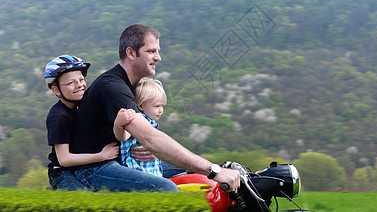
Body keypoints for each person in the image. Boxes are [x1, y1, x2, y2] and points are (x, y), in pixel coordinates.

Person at [70, 24, 240, 192]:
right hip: (94, 169)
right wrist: (214, 170)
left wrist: (155, 152)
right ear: (130, 53)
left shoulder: (129, 85)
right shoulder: (113, 87)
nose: (158, 57)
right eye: (151, 51)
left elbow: (146, 141)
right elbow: (150, 137)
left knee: (192, 171)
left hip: (120, 159)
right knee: (165, 189)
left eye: (157, 51)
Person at [45, 55, 120, 190]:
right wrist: (101, 156)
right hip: (62, 172)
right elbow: (64, 159)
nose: (79, 85)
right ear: (56, 90)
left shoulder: (81, 106)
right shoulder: (59, 117)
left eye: (81, 79)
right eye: (70, 83)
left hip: (81, 167)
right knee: (85, 199)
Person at [114, 78, 166, 177]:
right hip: (138, 169)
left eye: (162, 106)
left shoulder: (150, 121)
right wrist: (118, 124)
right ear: (141, 106)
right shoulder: (135, 120)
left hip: (151, 168)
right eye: (157, 106)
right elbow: (122, 137)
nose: (161, 110)